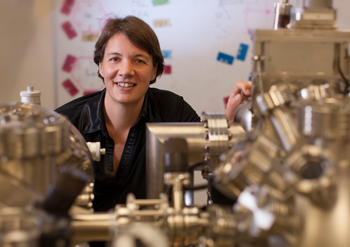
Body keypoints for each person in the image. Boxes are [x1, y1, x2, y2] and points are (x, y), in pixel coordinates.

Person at [56, 15, 250, 213]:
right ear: (101, 65)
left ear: (153, 70)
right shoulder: (66, 124)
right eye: (115, 59)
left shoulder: (174, 111)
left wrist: (230, 126)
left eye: (139, 61)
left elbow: (207, 172)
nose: (126, 70)